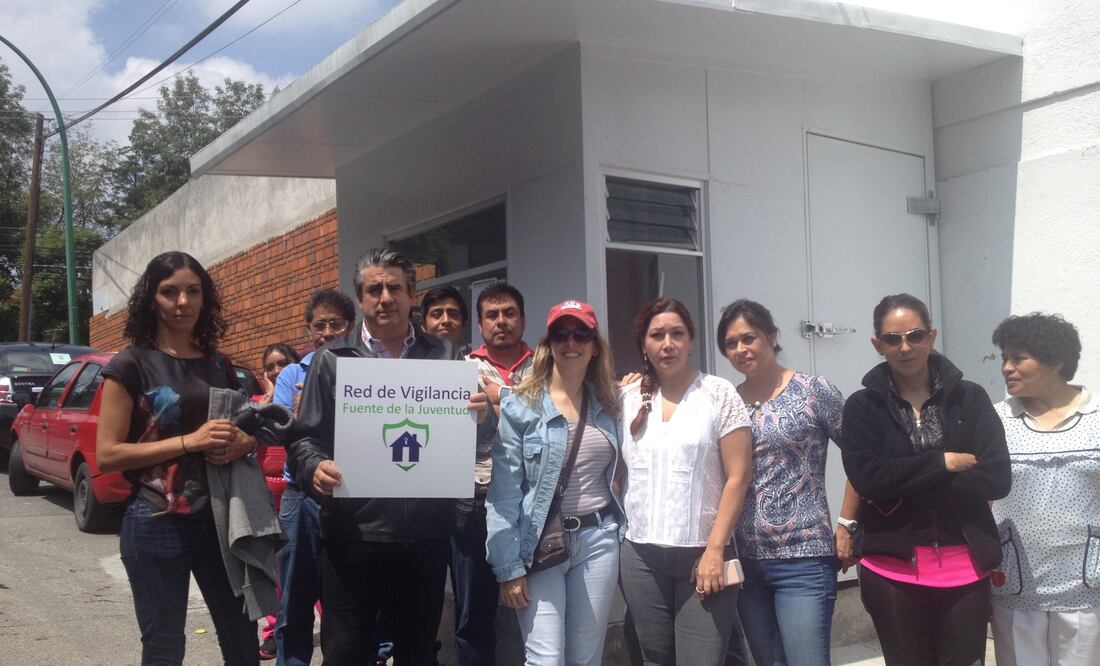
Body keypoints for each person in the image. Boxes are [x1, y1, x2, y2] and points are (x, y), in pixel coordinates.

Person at [286, 248, 494, 665]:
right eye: (374, 289)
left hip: (425, 536)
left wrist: (484, 418)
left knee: (418, 652)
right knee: (346, 653)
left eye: (394, 287)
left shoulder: (447, 356)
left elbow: (476, 441)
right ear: (360, 298)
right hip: (351, 533)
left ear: (411, 294)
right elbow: (303, 439)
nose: (385, 297)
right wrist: (314, 466)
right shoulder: (332, 359)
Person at [96, 251, 260, 665]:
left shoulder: (218, 364)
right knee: (165, 645)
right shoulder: (130, 364)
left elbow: (237, 429)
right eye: (170, 292)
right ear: (152, 299)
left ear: (205, 300)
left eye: (193, 291)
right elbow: (108, 454)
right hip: (155, 521)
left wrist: (246, 443)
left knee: (243, 639)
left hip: (222, 519)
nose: (182, 302)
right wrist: (190, 442)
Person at [841, 293, 1011, 666]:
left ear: (931, 337)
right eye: (892, 338)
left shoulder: (971, 399)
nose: (905, 347)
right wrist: (943, 463)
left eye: (915, 335)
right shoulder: (862, 407)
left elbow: (997, 478)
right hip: (890, 568)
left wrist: (903, 480)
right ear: (877, 344)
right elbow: (867, 479)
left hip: (965, 565)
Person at [718, 299, 858, 666]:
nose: (740, 349)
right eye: (731, 344)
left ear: (772, 336)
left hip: (805, 559)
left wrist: (847, 522)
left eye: (748, 338)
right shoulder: (728, 403)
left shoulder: (814, 391)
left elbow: (862, 458)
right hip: (747, 560)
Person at [486, 299, 623, 665]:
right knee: (546, 660)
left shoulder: (611, 404)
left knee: (585, 659)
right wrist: (508, 568)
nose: (571, 342)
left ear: (595, 346)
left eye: (581, 333)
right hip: (540, 546)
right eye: (561, 334)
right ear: (548, 344)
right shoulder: (521, 407)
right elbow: (502, 496)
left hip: (598, 541)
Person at [618, 297, 753, 665]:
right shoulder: (625, 398)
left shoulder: (718, 393)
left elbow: (738, 477)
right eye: (657, 334)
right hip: (641, 555)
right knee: (654, 658)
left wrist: (714, 550)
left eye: (677, 333)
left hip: (703, 554)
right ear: (643, 343)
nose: (668, 344)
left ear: (691, 338)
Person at [989, 313, 1099, 666]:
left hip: (1088, 584)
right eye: (1004, 358)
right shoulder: (993, 421)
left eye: (1018, 358)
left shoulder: (1097, 417)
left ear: (1056, 362)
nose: (1007, 367)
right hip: (1016, 581)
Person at [271, 288, 357, 666]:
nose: (326, 332)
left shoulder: (363, 370)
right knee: (295, 592)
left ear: (349, 327)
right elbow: (281, 429)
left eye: (335, 324)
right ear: (308, 331)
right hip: (301, 496)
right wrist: (296, 409)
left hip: (350, 494)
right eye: (318, 325)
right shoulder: (292, 373)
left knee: (346, 594)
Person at [253, 343, 301, 660]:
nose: (276, 370)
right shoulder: (259, 403)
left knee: (303, 568)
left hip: (295, 492)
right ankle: (273, 631)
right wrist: (269, 399)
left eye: (282, 364)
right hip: (265, 497)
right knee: (275, 571)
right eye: (269, 366)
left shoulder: (303, 394)